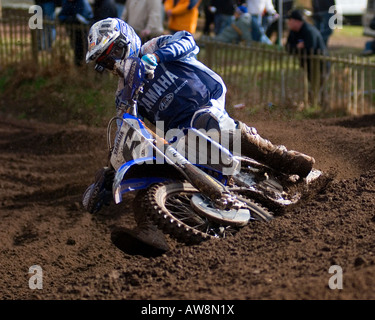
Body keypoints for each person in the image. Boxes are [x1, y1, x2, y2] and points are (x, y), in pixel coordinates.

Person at [83, 17, 315, 253]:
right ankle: (151, 231)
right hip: (178, 134)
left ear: (128, 39)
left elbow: (187, 40)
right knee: (150, 177)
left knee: (209, 123)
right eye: (106, 61)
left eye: (115, 52)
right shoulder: (124, 92)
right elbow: (128, 129)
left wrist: (156, 58)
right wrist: (110, 174)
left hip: (205, 103)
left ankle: (281, 157)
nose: (115, 62)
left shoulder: (155, 47)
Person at [285, 9, 329, 83]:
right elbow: (287, 48)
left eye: (290, 20)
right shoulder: (293, 32)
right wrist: (297, 47)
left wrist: (296, 48)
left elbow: (309, 49)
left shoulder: (309, 31)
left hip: (320, 65)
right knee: (312, 87)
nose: (288, 22)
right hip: (308, 66)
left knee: (317, 87)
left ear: (297, 21)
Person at [58, 0, 94, 66]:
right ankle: (78, 67)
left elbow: (84, 19)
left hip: (84, 33)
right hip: (73, 33)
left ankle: (85, 67)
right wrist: (70, 19)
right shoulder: (66, 2)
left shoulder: (82, 2)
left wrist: (72, 19)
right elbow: (61, 16)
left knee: (84, 51)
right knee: (76, 51)